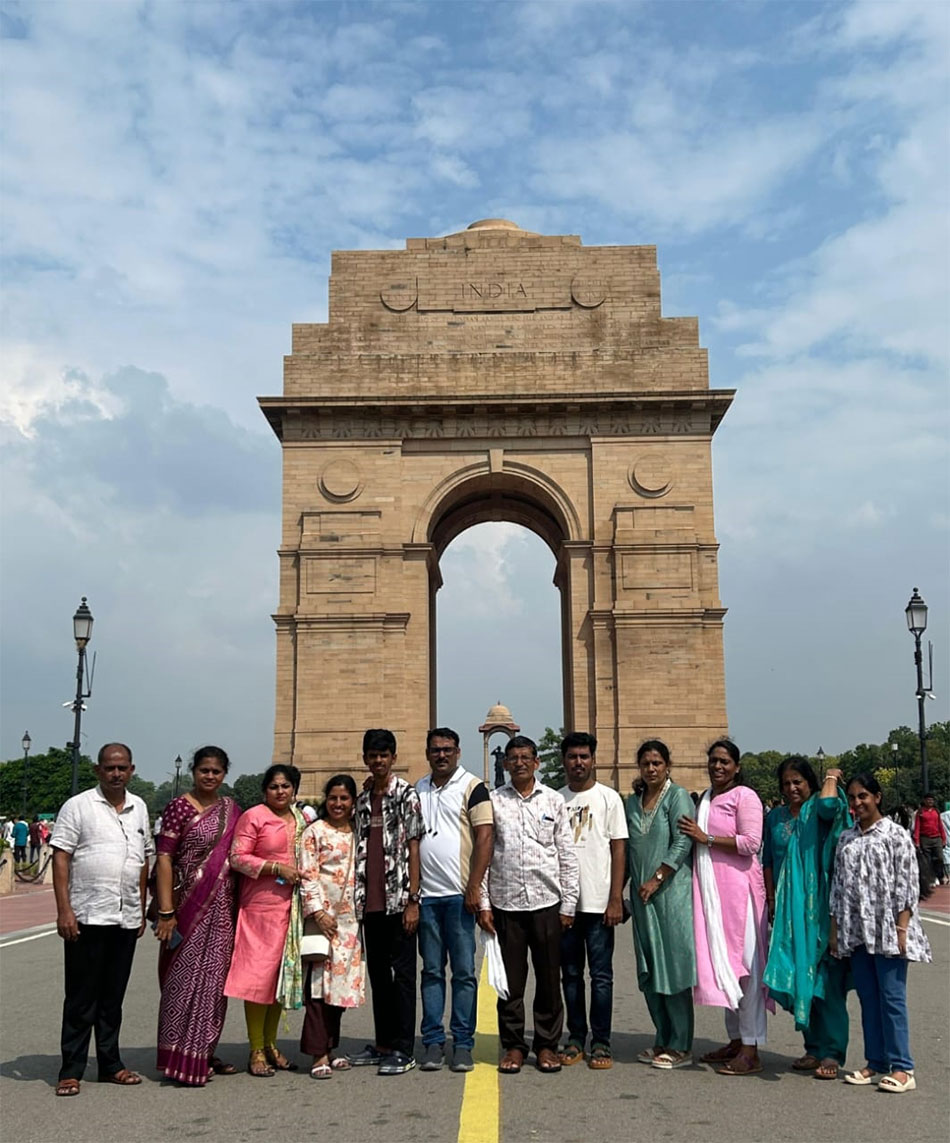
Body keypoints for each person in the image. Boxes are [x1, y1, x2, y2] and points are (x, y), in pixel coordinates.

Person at [50, 743, 152, 1096]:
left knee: (112, 998)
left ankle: (110, 1064)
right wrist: (65, 910)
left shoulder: (139, 808)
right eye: (109, 768)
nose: (116, 773)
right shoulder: (78, 806)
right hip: (88, 915)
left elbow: (143, 859)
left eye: (122, 767)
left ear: (132, 770)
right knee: (81, 998)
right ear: (98, 770)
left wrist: (140, 906)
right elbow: (61, 857)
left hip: (125, 916)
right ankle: (71, 1069)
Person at [479, 735, 579, 1076]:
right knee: (510, 982)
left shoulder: (553, 800)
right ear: (505, 763)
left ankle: (547, 1044)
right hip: (506, 903)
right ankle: (514, 1046)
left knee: (550, 978)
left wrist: (569, 904)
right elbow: (484, 855)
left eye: (526, 757)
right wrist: (483, 903)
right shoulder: (493, 801)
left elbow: (566, 854)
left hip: (546, 902)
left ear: (536, 762)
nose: (519, 762)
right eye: (513, 758)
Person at [831, 773, 932, 1092]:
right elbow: (838, 886)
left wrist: (902, 927)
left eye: (863, 796)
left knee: (892, 999)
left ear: (877, 797)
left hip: (889, 930)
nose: (857, 802)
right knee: (868, 999)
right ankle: (875, 1063)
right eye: (852, 797)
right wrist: (835, 929)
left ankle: (903, 1067)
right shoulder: (846, 838)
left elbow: (907, 883)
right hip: (858, 931)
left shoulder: (895, 834)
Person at [679, 739, 771, 1076]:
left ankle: (751, 1047)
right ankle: (736, 1040)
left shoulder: (745, 797)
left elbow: (751, 843)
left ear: (737, 766)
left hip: (740, 896)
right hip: (713, 896)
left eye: (725, 761)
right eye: (714, 761)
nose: (718, 766)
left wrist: (706, 838)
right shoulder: (706, 798)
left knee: (747, 970)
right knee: (725, 967)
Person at [153, 746, 242, 1085]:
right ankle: (176, 1055)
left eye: (216, 771)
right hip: (185, 908)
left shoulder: (231, 810)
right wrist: (166, 912)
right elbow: (164, 858)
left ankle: (202, 1052)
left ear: (224, 774)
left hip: (222, 910)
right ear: (193, 771)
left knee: (214, 985)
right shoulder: (179, 807)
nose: (210, 776)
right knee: (180, 981)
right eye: (204, 770)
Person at [762, 757, 851, 1081]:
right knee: (797, 974)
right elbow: (768, 860)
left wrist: (831, 778)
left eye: (798, 781)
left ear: (810, 782)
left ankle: (832, 1052)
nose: (791, 788)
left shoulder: (819, 808)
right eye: (786, 783)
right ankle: (813, 1047)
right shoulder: (775, 817)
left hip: (821, 907)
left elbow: (829, 805)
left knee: (826, 982)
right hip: (789, 912)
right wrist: (771, 899)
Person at [415, 727, 493, 1073]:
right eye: (436, 750)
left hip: (459, 896)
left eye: (448, 749)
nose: (442, 755)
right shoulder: (418, 788)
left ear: (458, 752)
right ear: (428, 753)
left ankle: (462, 1043)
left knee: (463, 973)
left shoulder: (473, 787)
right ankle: (433, 1041)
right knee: (431, 972)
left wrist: (474, 886)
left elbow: (485, 837)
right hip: (427, 897)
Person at [224, 764, 305, 1077]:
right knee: (258, 979)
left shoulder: (301, 818)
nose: (280, 791)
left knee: (279, 978)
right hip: (260, 908)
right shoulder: (254, 816)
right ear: (264, 790)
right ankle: (256, 1048)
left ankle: (271, 1044)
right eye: (274, 786)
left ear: (294, 789)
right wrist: (275, 868)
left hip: (291, 908)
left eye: (286, 786)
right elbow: (237, 858)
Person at [351, 729, 424, 1076]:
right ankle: (383, 1044)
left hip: (399, 901)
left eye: (384, 755)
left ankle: (404, 1048)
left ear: (394, 758)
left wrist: (413, 900)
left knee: (404, 977)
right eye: (372, 755)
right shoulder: (362, 800)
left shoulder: (407, 795)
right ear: (365, 758)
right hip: (370, 902)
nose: (378, 760)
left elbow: (414, 847)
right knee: (378, 976)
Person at [556, 731, 627, 1070]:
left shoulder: (609, 799)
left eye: (584, 756)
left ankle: (601, 1041)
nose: (578, 762)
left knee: (601, 976)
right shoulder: (555, 799)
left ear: (593, 760)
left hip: (599, 903)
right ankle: (575, 1037)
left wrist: (616, 898)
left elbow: (619, 849)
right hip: (565, 905)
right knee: (570, 975)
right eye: (572, 756)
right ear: (564, 761)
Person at [627, 739, 696, 1070]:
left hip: (670, 893)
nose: (651, 769)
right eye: (646, 763)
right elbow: (625, 848)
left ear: (667, 766)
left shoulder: (677, 796)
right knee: (650, 967)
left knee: (672, 967)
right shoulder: (632, 802)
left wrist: (657, 878)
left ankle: (680, 1044)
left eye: (657, 763)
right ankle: (662, 1037)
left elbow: (683, 842)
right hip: (641, 897)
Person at [299, 774, 364, 1078]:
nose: (338, 804)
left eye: (344, 798)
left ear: (353, 802)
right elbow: (307, 874)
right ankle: (318, 1054)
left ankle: (330, 1047)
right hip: (323, 919)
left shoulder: (359, 832)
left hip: (350, 922)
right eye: (333, 798)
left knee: (339, 988)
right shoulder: (314, 832)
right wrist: (317, 912)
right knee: (318, 987)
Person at [913, 794, 947, 888]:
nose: (930, 801)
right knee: (927, 861)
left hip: (937, 838)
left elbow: (940, 825)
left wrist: (944, 838)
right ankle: (931, 878)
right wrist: (917, 841)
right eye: (928, 800)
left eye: (931, 800)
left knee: (939, 858)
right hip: (925, 838)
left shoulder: (936, 811)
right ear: (924, 801)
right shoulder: (920, 812)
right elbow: (917, 827)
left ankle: (940, 875)